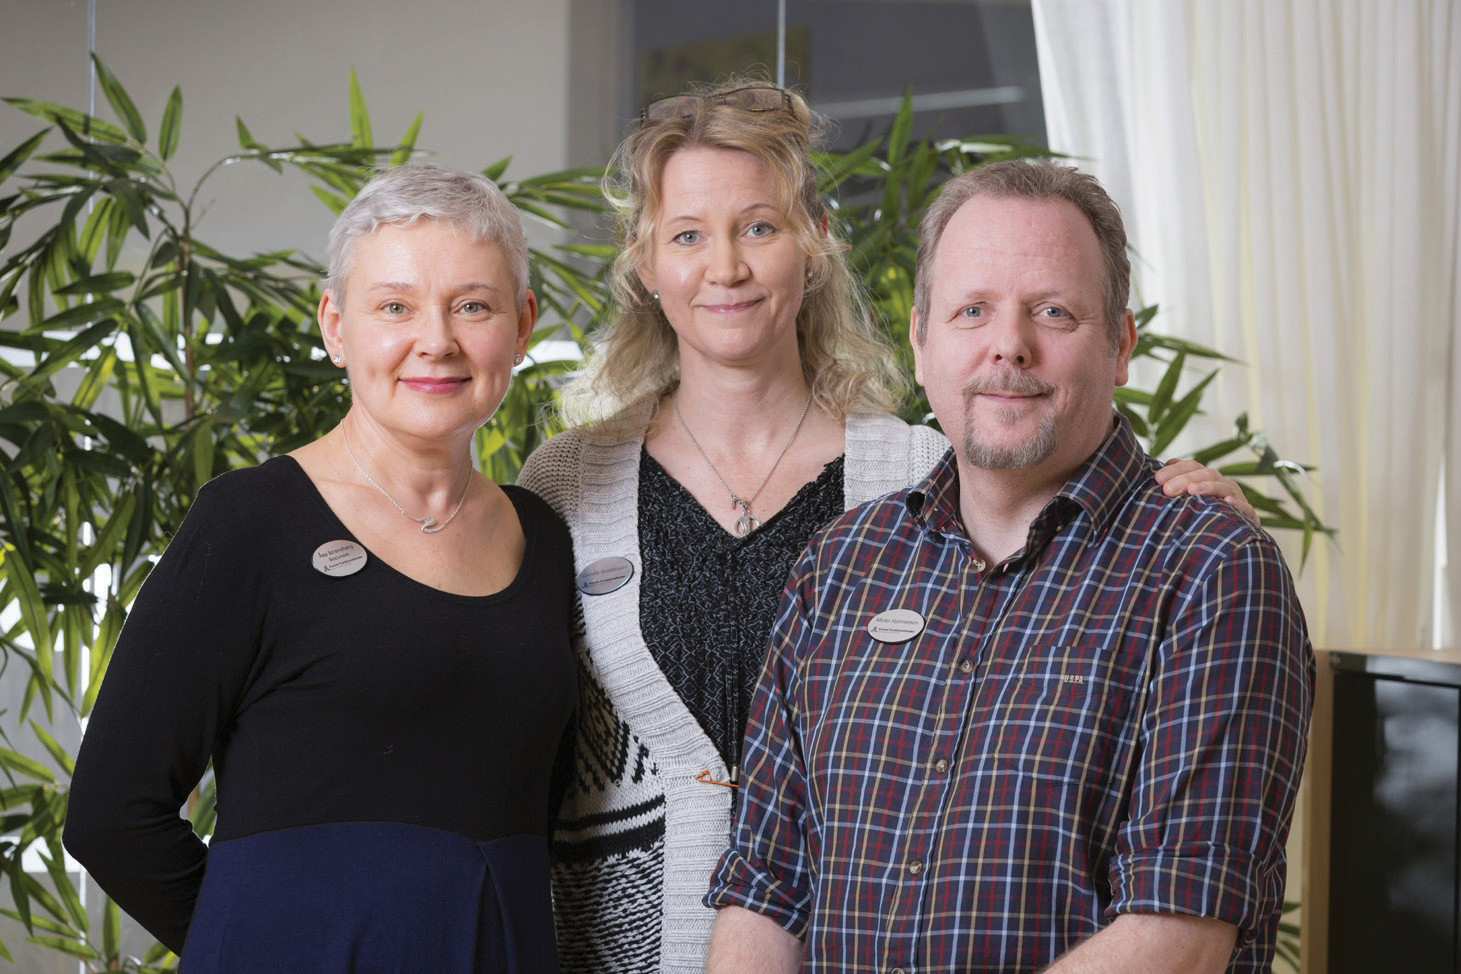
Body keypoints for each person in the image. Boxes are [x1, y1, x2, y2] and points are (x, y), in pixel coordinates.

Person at [518, 82, 1254, 974]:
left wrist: (1203, 527)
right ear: (644, 262)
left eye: (758, 226)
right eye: (685, 235)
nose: (724, 266)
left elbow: (1175, 902)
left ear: (814, 241)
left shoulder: (924, 478)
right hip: (610, 943)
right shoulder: (574, 487)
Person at [703, 159, 1315, 973]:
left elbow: (1179, 936)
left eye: (1052, 312)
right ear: (921, 343)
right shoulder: (841, 566)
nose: (1008, 346)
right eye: (971, 310)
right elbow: (766, 890)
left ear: (1120, 343)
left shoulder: (1212, 574)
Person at [64, 163, 576, 973]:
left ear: (521, 325)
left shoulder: (546, 537)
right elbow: (109, 817)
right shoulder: (248, 523)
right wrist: (263, 943)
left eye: (471, 306)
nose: (435, 340)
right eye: (395, 307)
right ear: (336, 327)